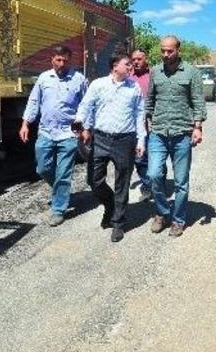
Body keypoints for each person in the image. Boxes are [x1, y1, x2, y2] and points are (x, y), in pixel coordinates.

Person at [75, 55, 146, 242]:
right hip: (101, 139)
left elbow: (140, 115)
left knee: (122, 183)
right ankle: (110, 205)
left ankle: (118, 223)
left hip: (125, 140)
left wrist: (141, 141)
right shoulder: (98, 85)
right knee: (94, 180)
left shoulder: (134, 88)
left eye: (131, 64)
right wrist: (81, 124)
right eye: (127, 64)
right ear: (115, 66)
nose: (131, 67)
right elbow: (85, 106)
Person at [146, 35, 206, 237]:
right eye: (162, 50)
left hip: (182, 134)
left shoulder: (191, 72)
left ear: (178, 49)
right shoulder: (155, 71)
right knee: (154, 174)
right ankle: (162, 212)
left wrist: (197, 126)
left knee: (181, 181)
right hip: (158, 132)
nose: (165, 54)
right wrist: (148, 119)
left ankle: (178, 220)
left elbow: (198, 101)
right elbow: (150, 99)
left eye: (169, 51)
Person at [20, 46, 87, 226]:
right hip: (46, 132)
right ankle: (61, 192)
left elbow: (86, 104)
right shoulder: (43, 78)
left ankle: (58, 209)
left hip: (68, 133)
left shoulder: (78, 79)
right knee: (42, 169)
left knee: (63, 173)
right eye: (58, 60)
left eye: (65, 60)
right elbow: (34, 102)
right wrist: (26, 123)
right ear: (52, 60)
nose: (62, 64)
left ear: (70, 60)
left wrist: (84, 127)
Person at [130, 49, 153, 201]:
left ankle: (157, 184)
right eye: (134, 59)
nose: (136, 62)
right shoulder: (127, 76)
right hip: (134, 126)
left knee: (156, 157)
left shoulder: (154, 75)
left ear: (146, 59)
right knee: (139, 158)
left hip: (153, 125)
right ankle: (147, 185)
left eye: (139, 59)